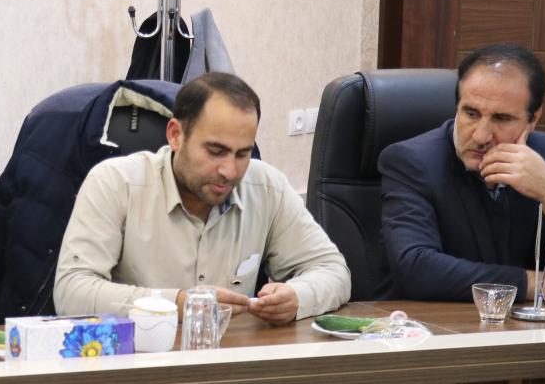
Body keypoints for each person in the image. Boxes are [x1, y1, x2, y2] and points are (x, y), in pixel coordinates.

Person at [54, 72, 350, 325]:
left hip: (231, 363)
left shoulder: (267, 187)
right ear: (175, 135)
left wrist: (298, 297)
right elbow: (71, 293)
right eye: (216, 151)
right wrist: (176, 304)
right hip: (137, 362)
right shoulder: (115, 183)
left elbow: (334, 271)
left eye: (242, 153)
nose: (229, 171)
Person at [379, 43, 545, 301]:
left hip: (531, 324)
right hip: (436, 321)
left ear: (533, 119)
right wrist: (540, 283)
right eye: (471, 113)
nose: (481, 136)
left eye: (501, 118)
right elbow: (416, 268)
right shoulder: (412, 162)